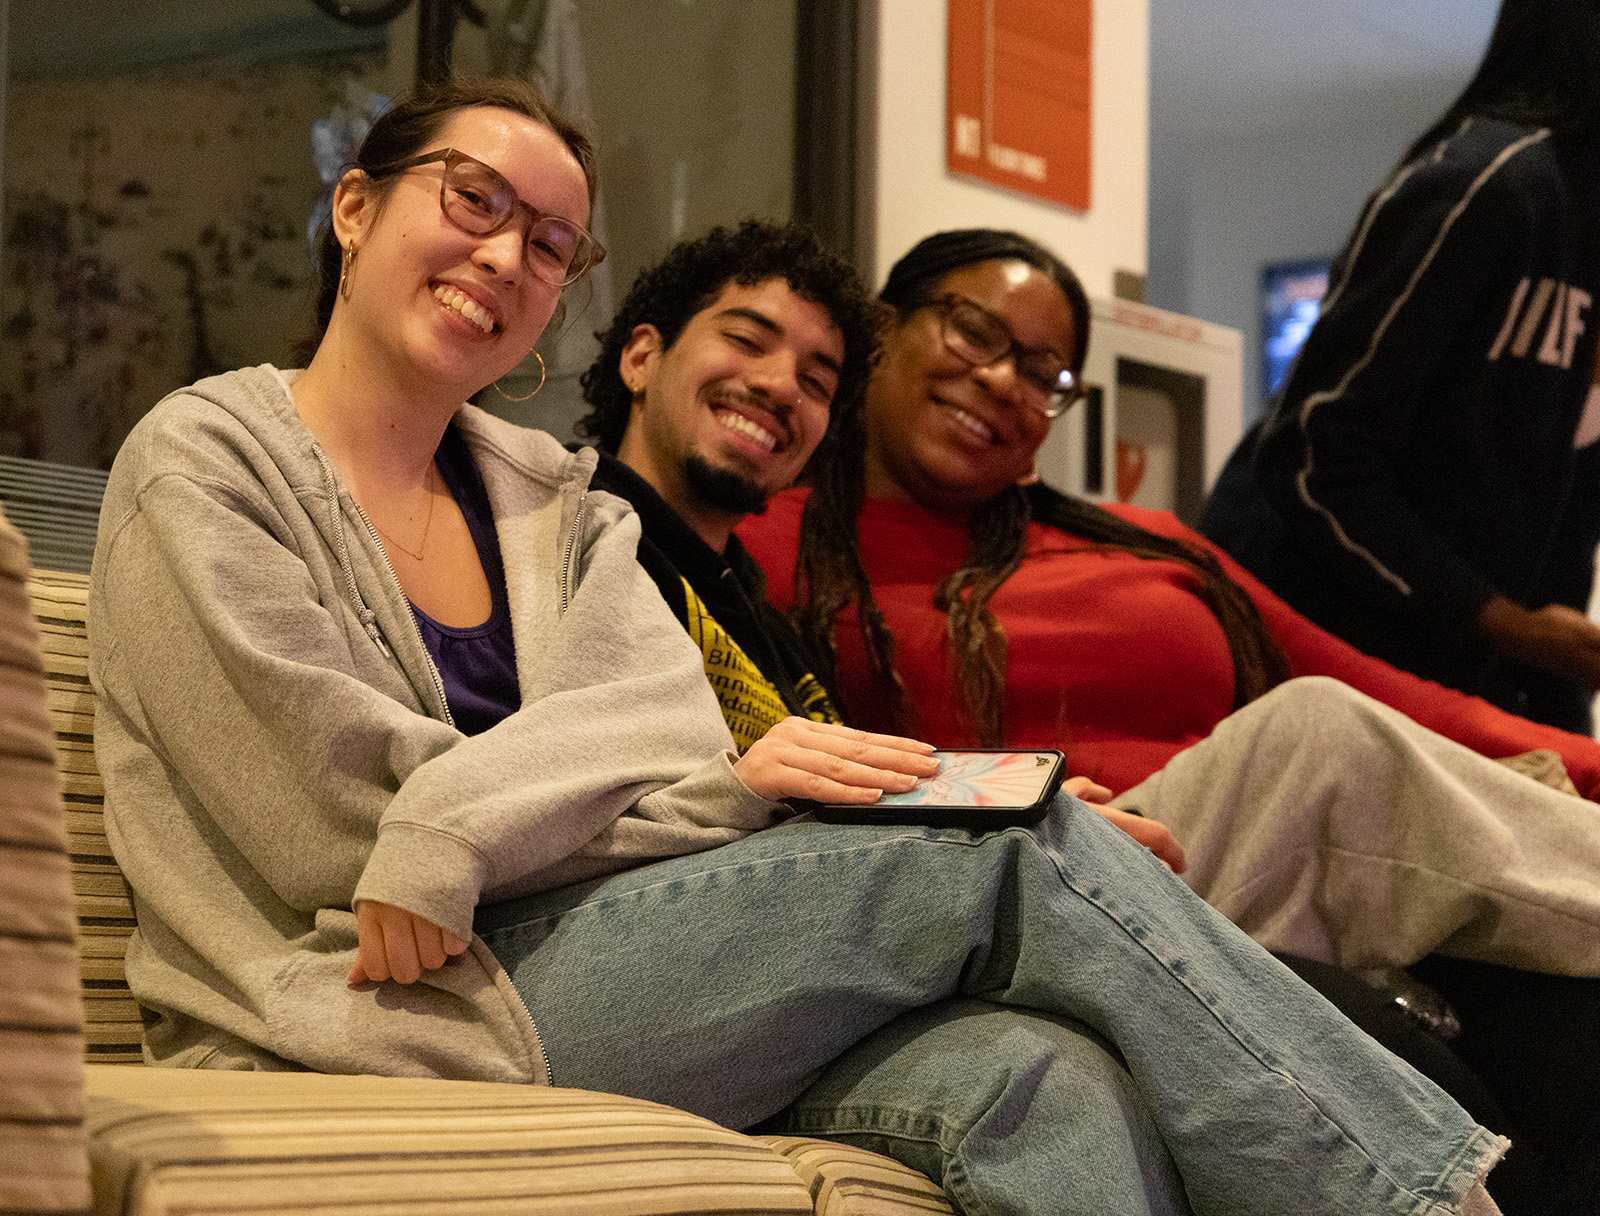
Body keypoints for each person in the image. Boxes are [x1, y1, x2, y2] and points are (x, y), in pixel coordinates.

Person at [87, 80, 1509, 1213]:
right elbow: (333, 827)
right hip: (360, 1007)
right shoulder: (206, 463)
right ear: (354, 205)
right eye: (474, 202)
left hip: (564, 956)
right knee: (1004, 843)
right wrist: (591, 802)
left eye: (550, 243)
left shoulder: (555, 502)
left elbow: (666, 730)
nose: (506, 257)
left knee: (1043, 1076)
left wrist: (656, 793)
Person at [735, 225, 1600, 1212]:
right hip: (1052, 878)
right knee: (1315, 734)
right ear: (883, 329)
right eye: (975, 333)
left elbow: (1394, 694)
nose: (1001, 381)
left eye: (1041, 372)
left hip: (1255, 877)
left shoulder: (1141, 542)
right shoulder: (778, 543)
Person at [1198, 0, 1600, 734]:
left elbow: (1556, 574)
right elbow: (1312, 456)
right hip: (1301, 668)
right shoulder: (1494, 185)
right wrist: (1501, 623)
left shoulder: (1577, 220)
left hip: (1432, 685)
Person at [573, 220, 867, 750]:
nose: (781, 387)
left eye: (815, 383)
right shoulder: (556, 530)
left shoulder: (773, 633)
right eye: (747, 340)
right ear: (641, 359)